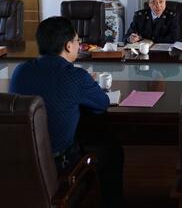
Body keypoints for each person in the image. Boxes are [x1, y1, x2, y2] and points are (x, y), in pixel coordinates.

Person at [9, 16, 123, 207]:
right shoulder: (76, 76)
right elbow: (102, 104)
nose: (79, 45)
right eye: (78, 41)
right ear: (68, 46)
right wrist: (88, 83)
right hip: (59, 163)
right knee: (112, 151)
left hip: (20, 162)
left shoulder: (20, 71)